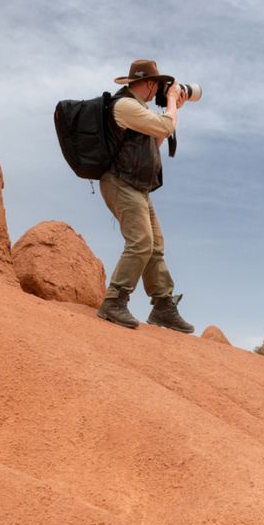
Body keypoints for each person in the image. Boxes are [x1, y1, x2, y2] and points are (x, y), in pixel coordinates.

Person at [95, 59, 195, 333]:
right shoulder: (125, 105)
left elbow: (156, 140)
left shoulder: (138, 110)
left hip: (137, 186)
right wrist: (172, 104)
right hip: (121, 183)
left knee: (155, 246)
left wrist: (174, 109)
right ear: (150, 84)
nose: (161, 92)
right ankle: (114, 301)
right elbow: (165, 127)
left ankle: (163, 306)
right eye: (160, 86)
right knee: (140, 242)